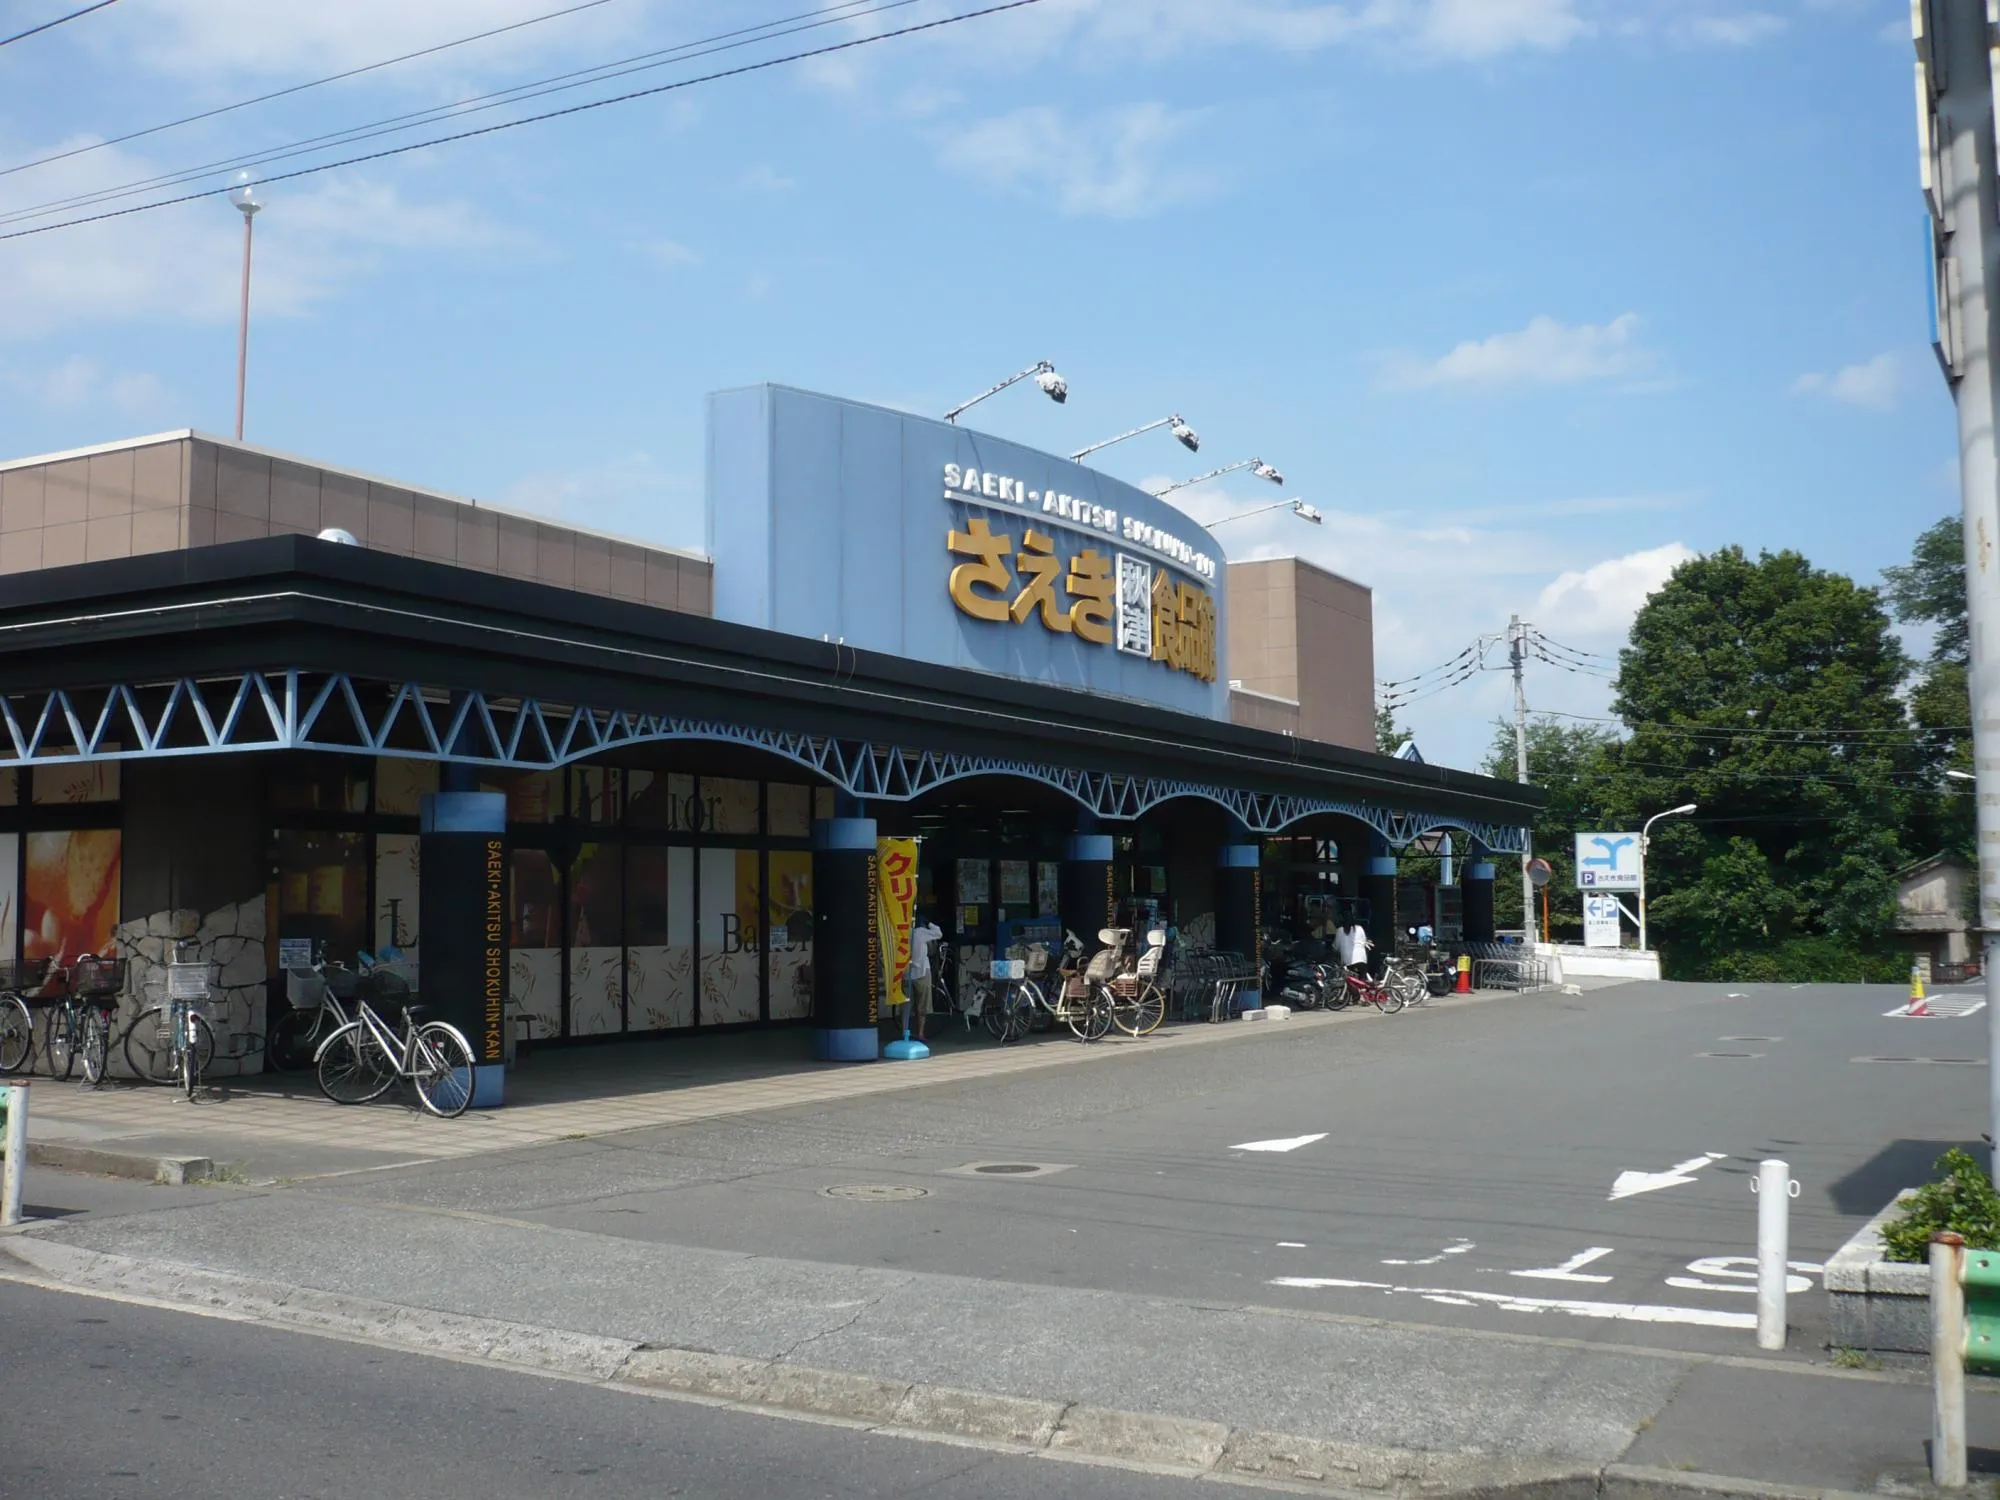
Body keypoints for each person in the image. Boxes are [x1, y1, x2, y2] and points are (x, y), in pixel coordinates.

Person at [903, 914, 943, 1042]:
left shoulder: (903, 933)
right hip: (922, 973)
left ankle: (905, 1033)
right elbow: (938, 933)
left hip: (907, 973)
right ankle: (920, 1033)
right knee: (922, 1005)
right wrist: (929, 923)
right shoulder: (921, 932)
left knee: (906, 1006)